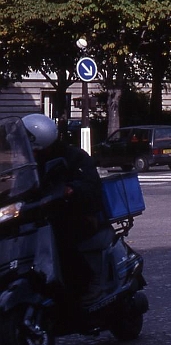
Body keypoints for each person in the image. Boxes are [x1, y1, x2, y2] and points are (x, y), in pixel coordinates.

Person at [23, 114, 109, 301]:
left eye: (36, 149)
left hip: (77, 213)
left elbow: (91, 186)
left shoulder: (74, 156)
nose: (33, 153)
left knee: (61, 236)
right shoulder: (28, 161)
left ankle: (89, 281)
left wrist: (71, 189)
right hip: (42, 213)